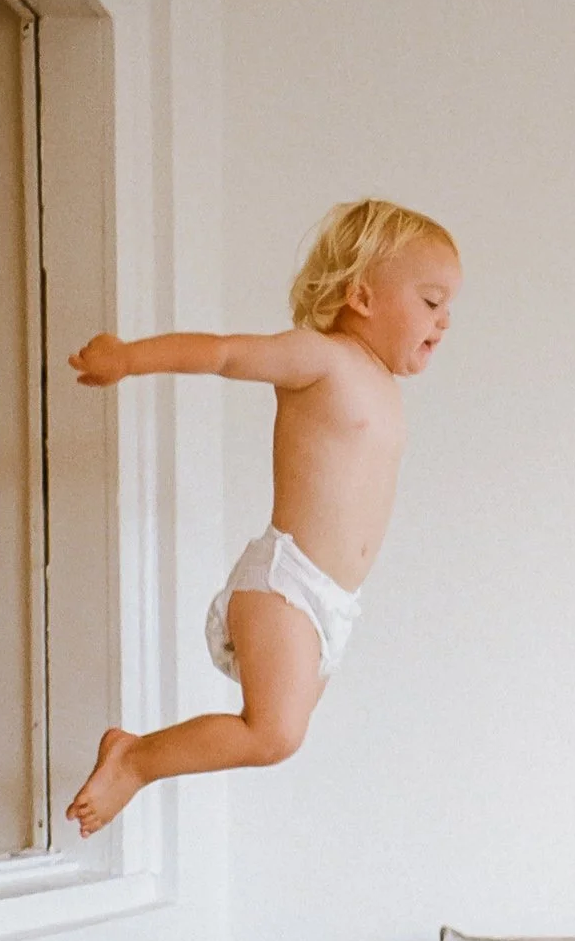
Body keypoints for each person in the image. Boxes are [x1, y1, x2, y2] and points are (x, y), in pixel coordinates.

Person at [64, 198, 461, 835]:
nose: (443, 322)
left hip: (334, 604)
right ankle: (134, 760)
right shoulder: (321, 358)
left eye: (448, 309)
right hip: (286, 584)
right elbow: (223, 353)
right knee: (273, 735)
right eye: (431, 301)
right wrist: (128, 357)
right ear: (361, 295)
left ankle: (137, 758)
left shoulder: (383, 386)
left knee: (281, 732)